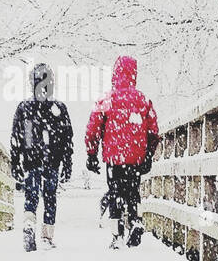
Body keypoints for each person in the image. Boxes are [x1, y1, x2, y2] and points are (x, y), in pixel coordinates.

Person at [85, 55, 159, 248]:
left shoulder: (107, 99)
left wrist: (91, 154)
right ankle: (135, 220)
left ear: (115, 74)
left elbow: (93, 128)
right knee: (133, 191)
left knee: (115, 192)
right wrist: (149, 153)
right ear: (134, 74)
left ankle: (116, 235)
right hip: (136, 157)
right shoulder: (142, 99)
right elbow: (153, 130)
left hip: (114, 157)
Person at [10, 63, 73, 251]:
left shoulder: (24, 108)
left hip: (31, 160)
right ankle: (46, 236)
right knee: (50, 197)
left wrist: (16, 164)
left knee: (31, 195)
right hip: (52, 161)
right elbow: (67, 139)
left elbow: (17, 137)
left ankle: (29, 223)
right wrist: (67, 164)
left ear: (32, 83)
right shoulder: (59, 108)